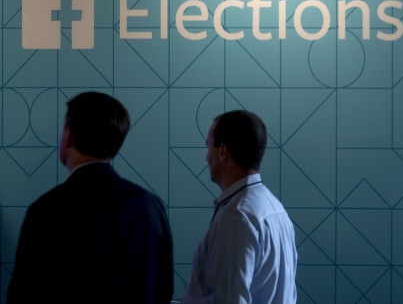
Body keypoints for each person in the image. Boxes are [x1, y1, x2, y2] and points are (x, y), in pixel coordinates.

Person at [7, 91, 174, 304]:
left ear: (68, 136)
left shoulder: (47, 210)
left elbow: (24, 295)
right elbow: (163, 289)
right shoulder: (151, 207)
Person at [183, 110, 298, 304]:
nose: (206, 157)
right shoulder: (276, 210)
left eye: (208, 146)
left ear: (222, 152)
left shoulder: (237, 217)